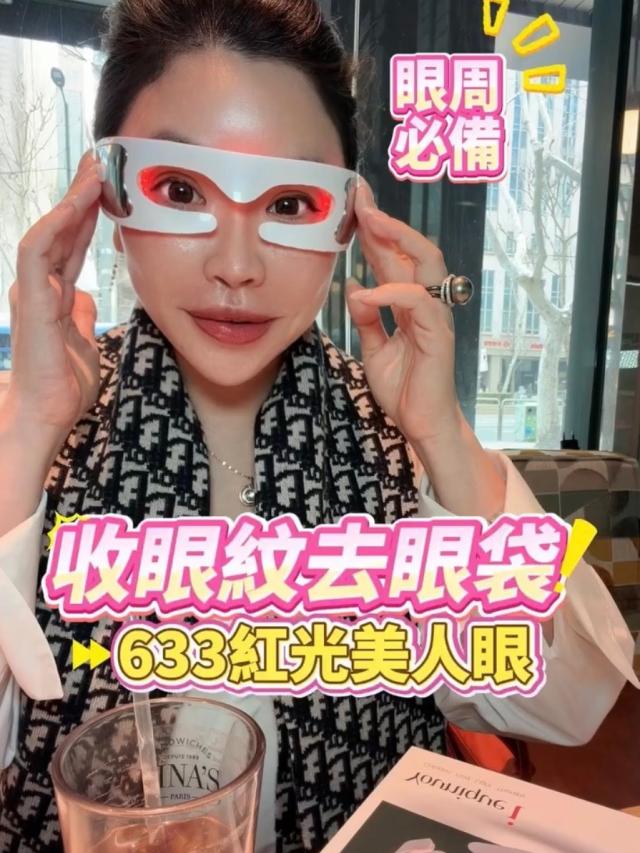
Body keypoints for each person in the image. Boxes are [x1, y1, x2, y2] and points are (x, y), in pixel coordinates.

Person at [0, 1, 637, 851]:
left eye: (292, 202)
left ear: (347, 223)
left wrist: (444, 436)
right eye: (180, 191)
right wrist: (29, 432)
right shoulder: (28, 428)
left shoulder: (397, 441)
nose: (236, 266)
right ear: (107, 204)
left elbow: (569, 704)